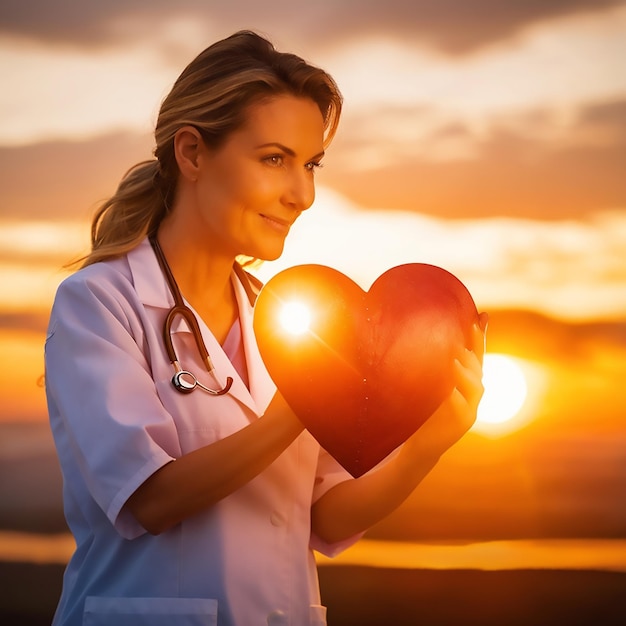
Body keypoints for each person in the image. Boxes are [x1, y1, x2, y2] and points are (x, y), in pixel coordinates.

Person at [44, 30, 487, 626]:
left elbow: (325, 515)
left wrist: (427, 445)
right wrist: (302, 405)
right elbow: (150, 498)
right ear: (193, 153)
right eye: (274, 159)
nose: (302, 193)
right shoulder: (98, 303)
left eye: (311, 164)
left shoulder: (283, 318)